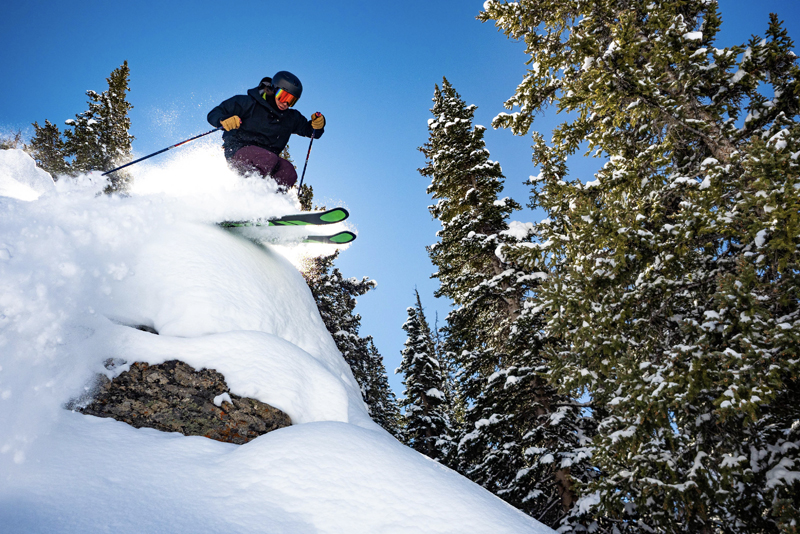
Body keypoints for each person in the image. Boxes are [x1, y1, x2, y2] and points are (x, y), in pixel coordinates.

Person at [207, 71, 325, 188]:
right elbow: (214, 113)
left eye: (291, 100)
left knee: (288, 171)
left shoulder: (291, 118)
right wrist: (223, 120)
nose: (285, 103)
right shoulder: (248, 103)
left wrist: (317, 125)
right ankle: (249, 193)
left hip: (268, 162)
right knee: (267, 158)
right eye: (283, 96)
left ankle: (273, 201)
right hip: (239, 151)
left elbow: (312, 132)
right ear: (274, 89)